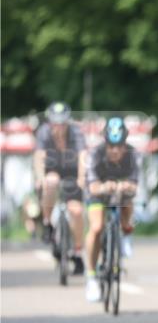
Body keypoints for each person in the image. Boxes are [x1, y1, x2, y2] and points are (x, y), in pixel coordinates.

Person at [84, 117, 140, 302]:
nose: (115, 150)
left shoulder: (132, 155)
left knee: (127, 200)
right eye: (111, 146)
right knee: (97, 227)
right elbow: (92, 187)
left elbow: (134, 185)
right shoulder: (95, 154)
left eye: (120, 145)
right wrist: (102, 187)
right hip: (98, 193)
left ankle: (126, 234)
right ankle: (91, 276)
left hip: (120, 193)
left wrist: (125, 186)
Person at [33, 102, 87, 274]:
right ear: (50, 123)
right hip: (52, 171)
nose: (59, 127)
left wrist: (82, 178)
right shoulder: (43, 132)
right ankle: (48, 224)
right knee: (51, 182)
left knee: (77, 212)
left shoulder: (76, 132)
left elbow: (83, 156)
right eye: (55, 123)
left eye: (62, 123)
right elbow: (39, 156)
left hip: (72, 174)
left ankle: (78, 253)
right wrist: (40, 177)